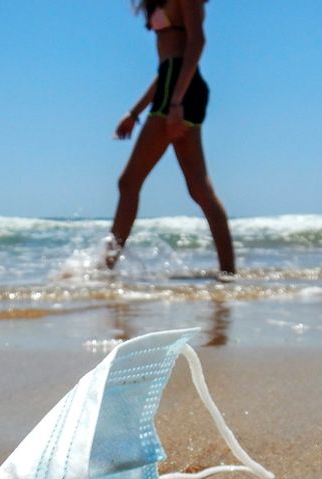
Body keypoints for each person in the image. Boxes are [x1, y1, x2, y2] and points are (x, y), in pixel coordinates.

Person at [106, 0, 235, 276]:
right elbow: (166, 69)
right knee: (199, 189)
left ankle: (104, 268)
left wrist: (176, 103)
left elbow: (197, 42)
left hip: (179, 92)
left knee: (129, 182)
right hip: (173, 87)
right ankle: (229, 275)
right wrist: (134, 112)